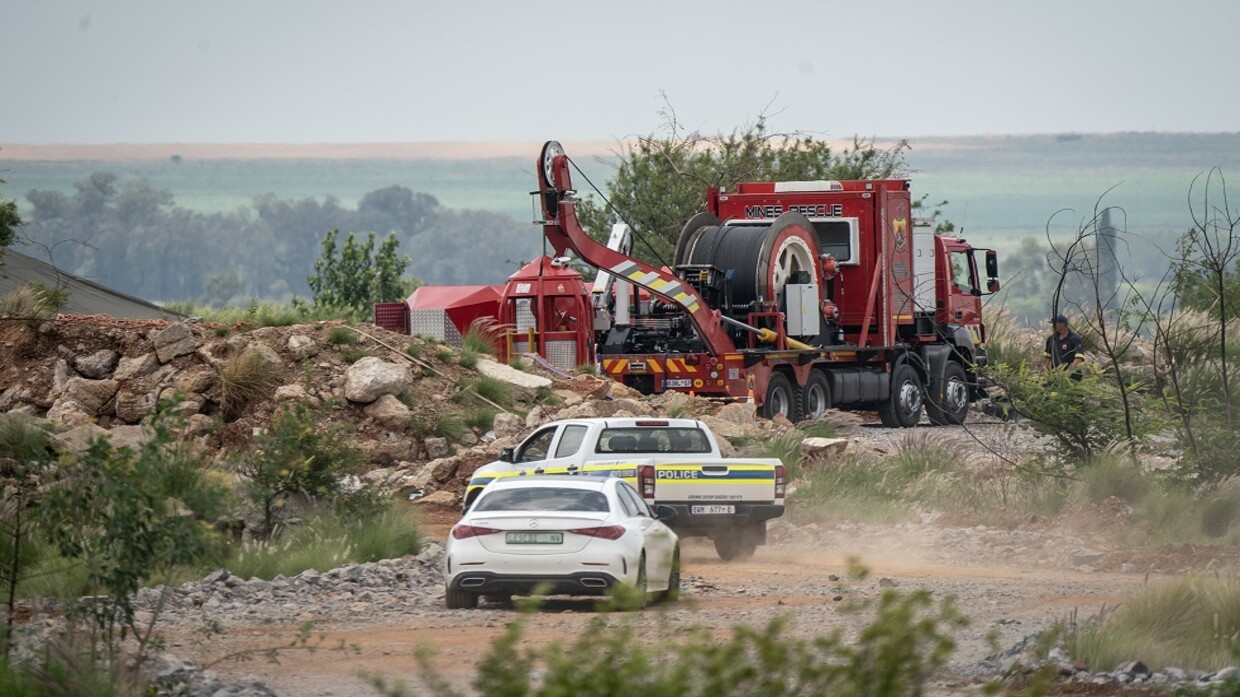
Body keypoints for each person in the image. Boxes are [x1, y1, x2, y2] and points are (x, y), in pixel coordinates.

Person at [1044, 313, 1085, 380]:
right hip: (1055, 375)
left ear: (1063, 324)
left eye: (1055, 324)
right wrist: (1045, 369)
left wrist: (1069, 371)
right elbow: (1048, 356)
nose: (1053, 326)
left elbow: (1079, 357)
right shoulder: (1051, 339)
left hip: (1072, 377)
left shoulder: (1074, 339)